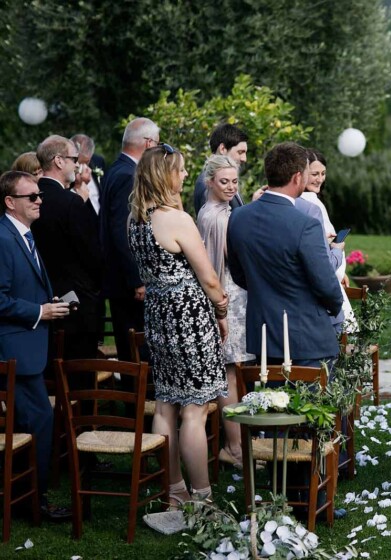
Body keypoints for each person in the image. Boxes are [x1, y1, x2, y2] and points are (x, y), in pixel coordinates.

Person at [128, 144, 229, 505]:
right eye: (182, 170)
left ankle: (175, 491)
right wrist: (221, 312)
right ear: (165, 175)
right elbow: (210, 279)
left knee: (167, 402)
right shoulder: (177, 220)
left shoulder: (136, 219)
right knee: (195, 408)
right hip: (188, 317)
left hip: (158, 315)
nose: (186, 176)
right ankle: (202, 497)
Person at [227, 142, 344, 368]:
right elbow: (326, 285)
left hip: (262, 334)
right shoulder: (305, 225)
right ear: (298, 177)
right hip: (307, 338)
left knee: (267, 401)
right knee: (313, 402)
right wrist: (334, 305)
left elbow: (239, 275)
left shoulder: (238, 217)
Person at [0, 170, 72, 521]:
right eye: (32, 197)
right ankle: (34, 502)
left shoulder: (24, 234)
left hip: (28, 346)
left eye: (39, 195)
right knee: (41, 421)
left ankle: (23, 495)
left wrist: (49, 300)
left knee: (34, 423)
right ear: (11, 202)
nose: (39, 200)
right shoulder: (2, 238)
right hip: (13, 350)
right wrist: (39, 311)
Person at [196, 154, 252, 469]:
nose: (231, 187)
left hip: (232, 296)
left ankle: (238, 442)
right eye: (224, 182)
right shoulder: (215, 217)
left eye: (234, 181)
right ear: (210, 183)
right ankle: (233, 446)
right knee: (229, 375)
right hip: (226, 298)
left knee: (234, 373)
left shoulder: (222, 210)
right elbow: (219, 265)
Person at [31, 136, 103, 363]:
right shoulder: (70, 203)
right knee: (79, 375)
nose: (77, 165)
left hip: (38, 297)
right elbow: (92, 253)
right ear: (59, 161)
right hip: (75, 303)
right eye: (74, 159)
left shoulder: (30, 198)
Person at [100, 117, 160, 363]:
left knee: (129, 344)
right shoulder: (128, 175)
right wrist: (137, 279)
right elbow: (122, 230)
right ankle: (139, 398)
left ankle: (134, 395)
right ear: (148, 144)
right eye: (157, 143)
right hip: (128, 281)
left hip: (118, 277)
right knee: (135, 347)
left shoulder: (115, 169)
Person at [302, 149, 355, 332]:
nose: (320, 179)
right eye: (314, 174)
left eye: (323, 174)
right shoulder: (311, 202)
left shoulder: (309, 199)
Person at [192, 124, 248, 214]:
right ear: (222, 149)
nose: (244, 159)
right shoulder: (207, 182)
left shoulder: (218, 177)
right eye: (240, 152)